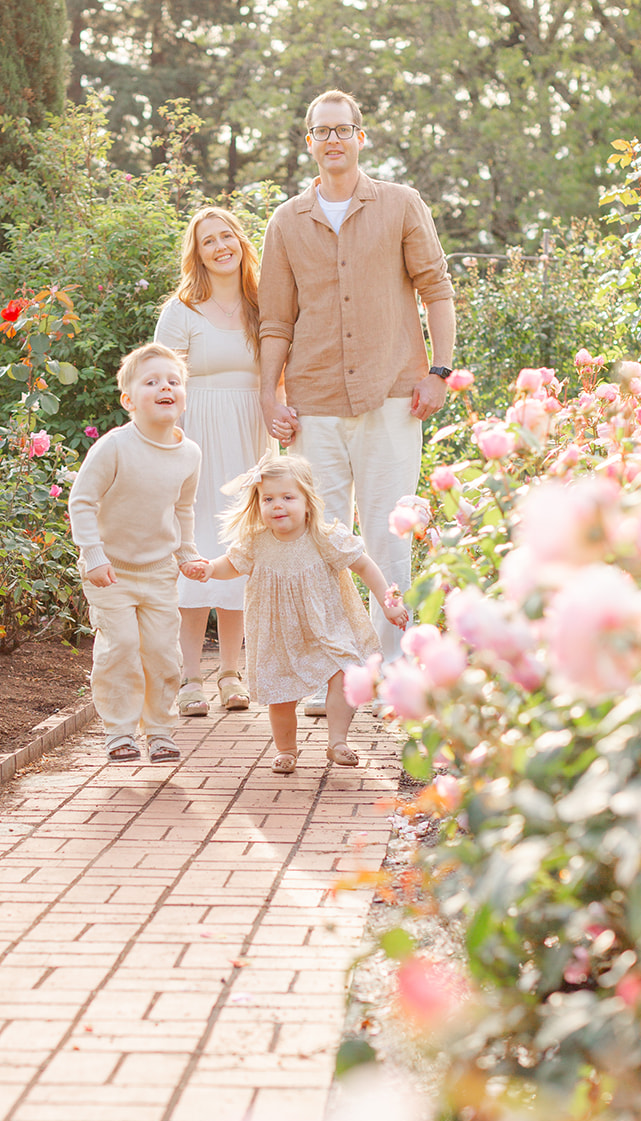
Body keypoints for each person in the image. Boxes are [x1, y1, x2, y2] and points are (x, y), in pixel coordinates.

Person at [257, 88, 455, 713]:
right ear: (309, 141)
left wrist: (440, 371)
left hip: (395, 395)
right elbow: (275, 321)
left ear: (361, 137)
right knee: (320, 541)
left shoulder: (399, 204)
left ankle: (391, 675)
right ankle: (329, 676)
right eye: (322, 131)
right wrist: (270, 393)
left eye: (344, 129)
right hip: (313, 400)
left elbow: (437, 289)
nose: (334, 139)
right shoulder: (287, 221)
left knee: (389, 537)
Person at [186, 455, 408, 774]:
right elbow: (231, 564)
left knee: (344, 675)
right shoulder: (256, 542)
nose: (278, 505)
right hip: (278, 633)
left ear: (307, 501)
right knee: (280, 696)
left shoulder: (324, 536)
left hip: (326, 626)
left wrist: (389, 602)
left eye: (288, 497)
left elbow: (364, 564)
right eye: (268, 499)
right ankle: (286, 749)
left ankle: (338, 742)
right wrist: (209, 569)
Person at [155, 207, 273, 716]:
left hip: (252, 434)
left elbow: (281, 370)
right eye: (209, 241)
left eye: (228, 236)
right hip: (197, 434)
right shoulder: (182, 309)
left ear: (242, 243)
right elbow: (162, 379)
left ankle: (232, 673)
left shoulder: (262, 303)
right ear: (197, 254)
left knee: (241, 547)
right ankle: (188, 678)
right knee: (197, 545)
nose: (221, 246)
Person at [68, 342, 202, 763]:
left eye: (173, 381)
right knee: (122, 645)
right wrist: (93, 556)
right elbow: (82, 501)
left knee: (163, 650)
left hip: (160, 571)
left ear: (183, 396)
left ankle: (160, 730)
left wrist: (187, 554)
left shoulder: (189, 454)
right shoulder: (114, 447)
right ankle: (120, 731)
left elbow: (182, 508)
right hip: (110, 570)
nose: (165, 387)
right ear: (129, 400)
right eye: (152, 381)